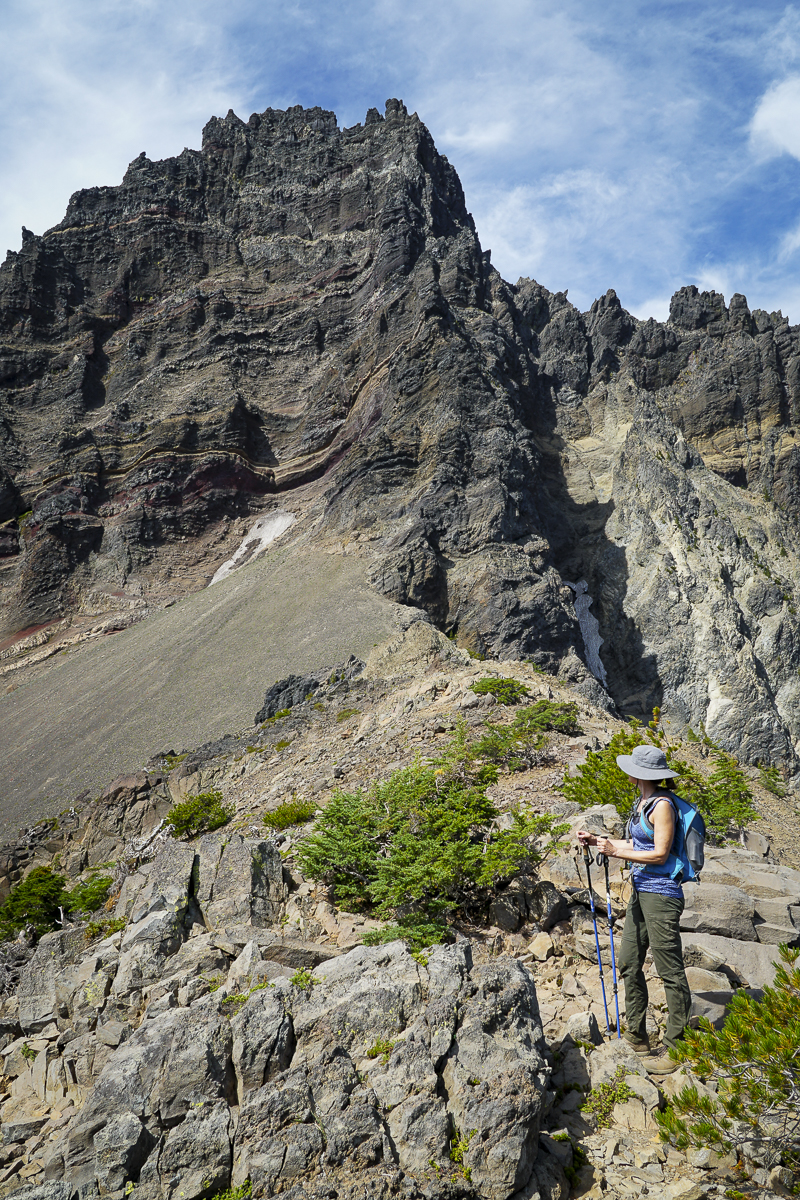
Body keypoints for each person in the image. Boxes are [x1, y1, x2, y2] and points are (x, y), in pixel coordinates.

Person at [577, 743, 692, 1074]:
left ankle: (677, 1046)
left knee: (670, 970)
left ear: (639, 774)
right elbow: (637, 844)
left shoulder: (663, 806)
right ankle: (637, 1037)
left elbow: (659, 854)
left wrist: (615, 852)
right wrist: (600, 841)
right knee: (628, 961)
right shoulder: (642, 802)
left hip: (663, 895)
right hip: (641, 893)